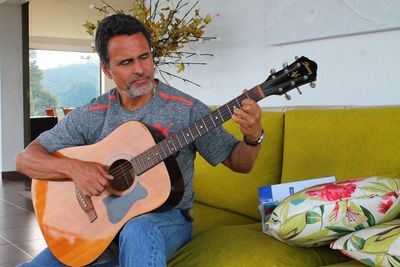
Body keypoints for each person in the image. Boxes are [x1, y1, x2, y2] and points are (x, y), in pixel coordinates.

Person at [16, 14, 263, 267]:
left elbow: (239, 163)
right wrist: (75, 169)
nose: (139, 69)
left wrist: (253, 137)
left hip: (166, 219)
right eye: (126, 62)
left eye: (144, 57)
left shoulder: (188, 110)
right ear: (106, 70)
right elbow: (25, 160)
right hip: (101, 227)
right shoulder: (93, 113)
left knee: (138, 229)